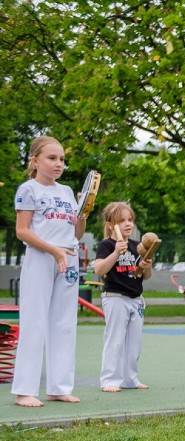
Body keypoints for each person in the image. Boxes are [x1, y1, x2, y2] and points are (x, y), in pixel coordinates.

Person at [11, 136, 87, 407]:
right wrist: (54, 251)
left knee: (65, 324)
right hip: (42, 258)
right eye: (52, 158)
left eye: (62, 160)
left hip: (68, 258)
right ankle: (24, 390)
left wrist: (84, 213)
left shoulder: (66, 192)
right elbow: (22, 231)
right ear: (35, 161)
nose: (59, 164)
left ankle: (59, 387)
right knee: (34, 322)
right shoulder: (28, 189)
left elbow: (76, 232)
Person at [93, 202, 153, 392]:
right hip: (115, 297)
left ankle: (130, 378)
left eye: (130, 220)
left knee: (134, 342)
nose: (128, 224)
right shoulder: (106, 245)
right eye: (122, 221)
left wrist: (146, 266)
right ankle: (110, 380)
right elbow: (99, 270)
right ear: (111, 224)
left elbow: (145, 276)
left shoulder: (137, 246)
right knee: (115, 339)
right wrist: (116, 252)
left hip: (136, 298)